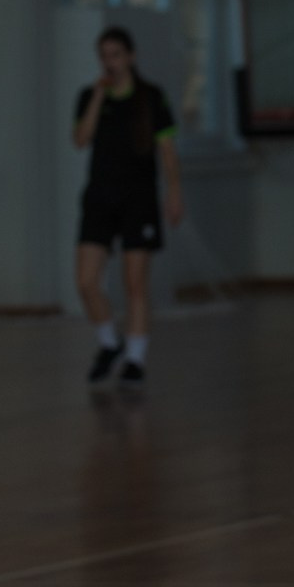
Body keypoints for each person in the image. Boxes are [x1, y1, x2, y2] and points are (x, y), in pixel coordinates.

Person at [72, 26, 183, 383]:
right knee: (86, 281)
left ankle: (135, 357)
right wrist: (97, 98)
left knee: (134, 282)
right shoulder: (89, 96)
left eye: (116, 55)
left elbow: (167, 151)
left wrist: (174, 192)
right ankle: (109, 342)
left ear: (130, 57)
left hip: (139, 198)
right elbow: (80, 139)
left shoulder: (151, 97)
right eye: (104, 56)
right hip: (100, 197)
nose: (110, 63)